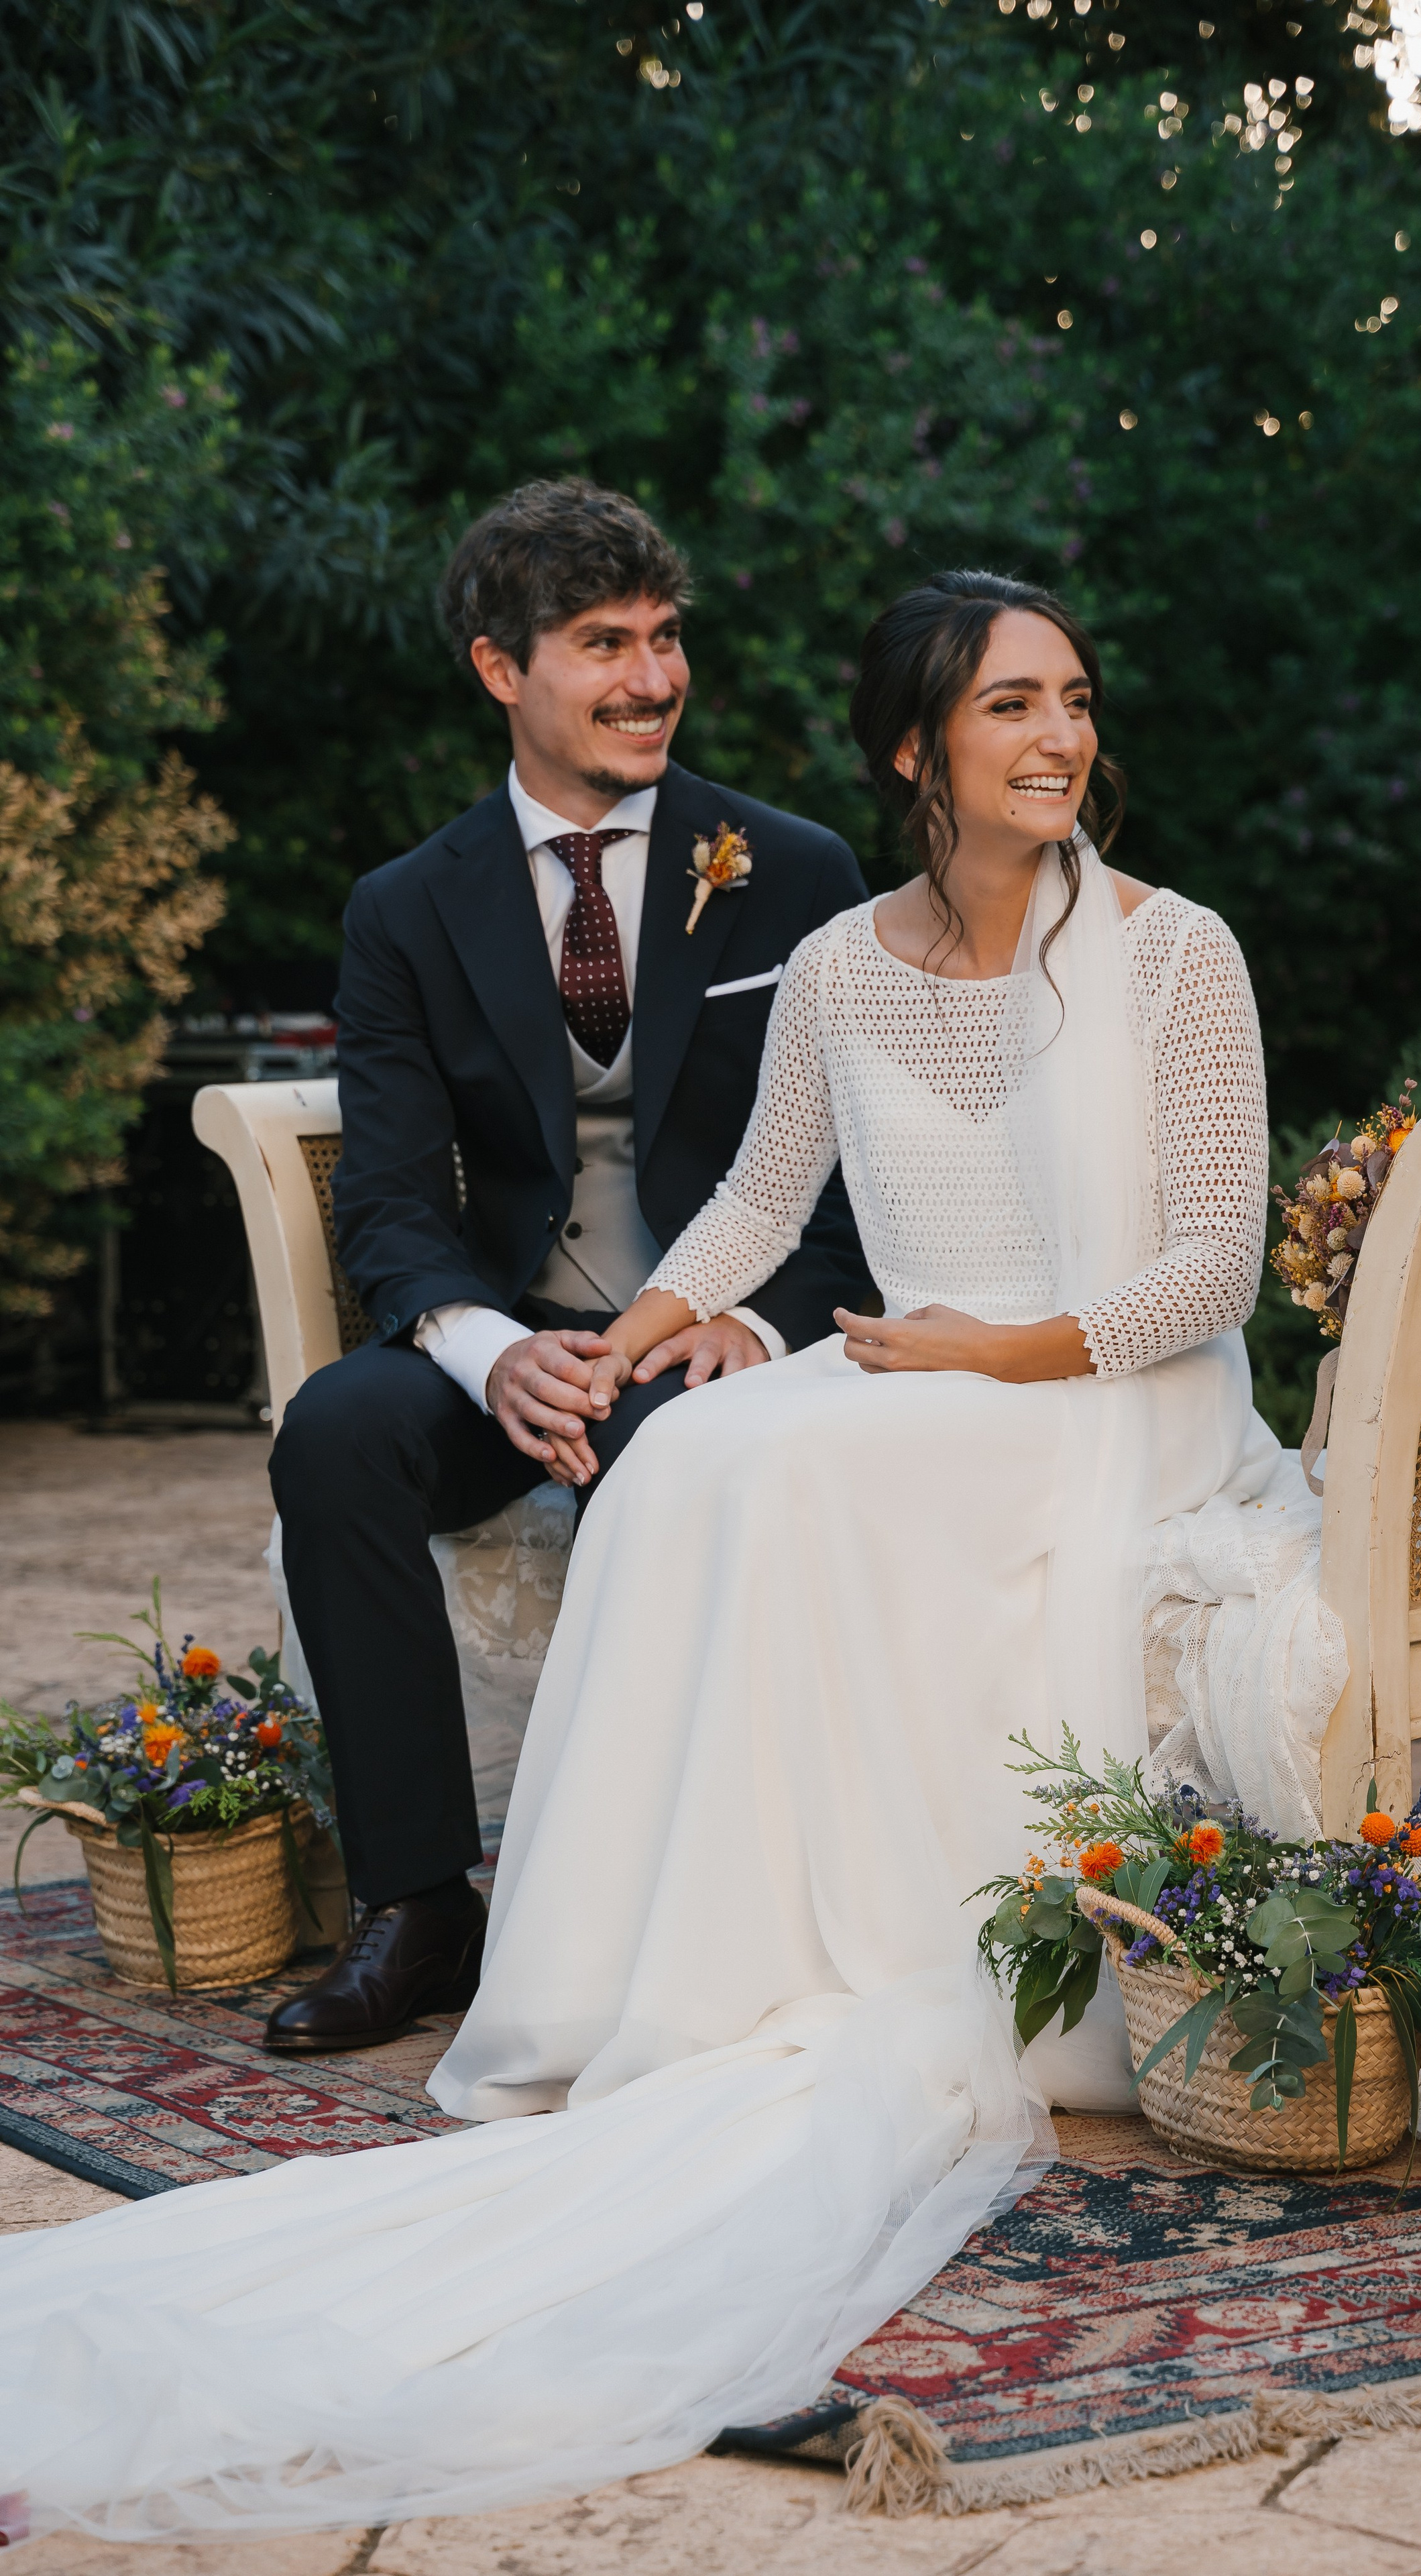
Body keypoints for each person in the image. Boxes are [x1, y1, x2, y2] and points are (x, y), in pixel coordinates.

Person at [0, 570, 1282, 2542]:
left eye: (1076, 700)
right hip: (915, 1372)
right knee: (692, 1469)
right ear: (916, 749)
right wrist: (641, 1327)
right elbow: (762, 1203)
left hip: (1104, 1383)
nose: (1060, 736)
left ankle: (835, 1959)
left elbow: (1212, 1264)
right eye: (1013, 705)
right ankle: (626, 1977)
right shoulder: (847, 959)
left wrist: (979, 1348)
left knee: (795, 1468)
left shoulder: (1178, 952)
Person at [266, 477, 873, 2053]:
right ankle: (419, 1908)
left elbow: (855, 1166)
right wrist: (484, 1349)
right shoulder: (405, 908)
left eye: (665, 639)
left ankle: (628, 1917)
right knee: (335, 1431)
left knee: (657, 1442)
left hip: (721, 1345)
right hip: (522, 1343)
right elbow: (391, 1201)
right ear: (498, 670)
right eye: (603, 644)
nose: (653, 679)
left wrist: (747, 1317)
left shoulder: (791, 868)